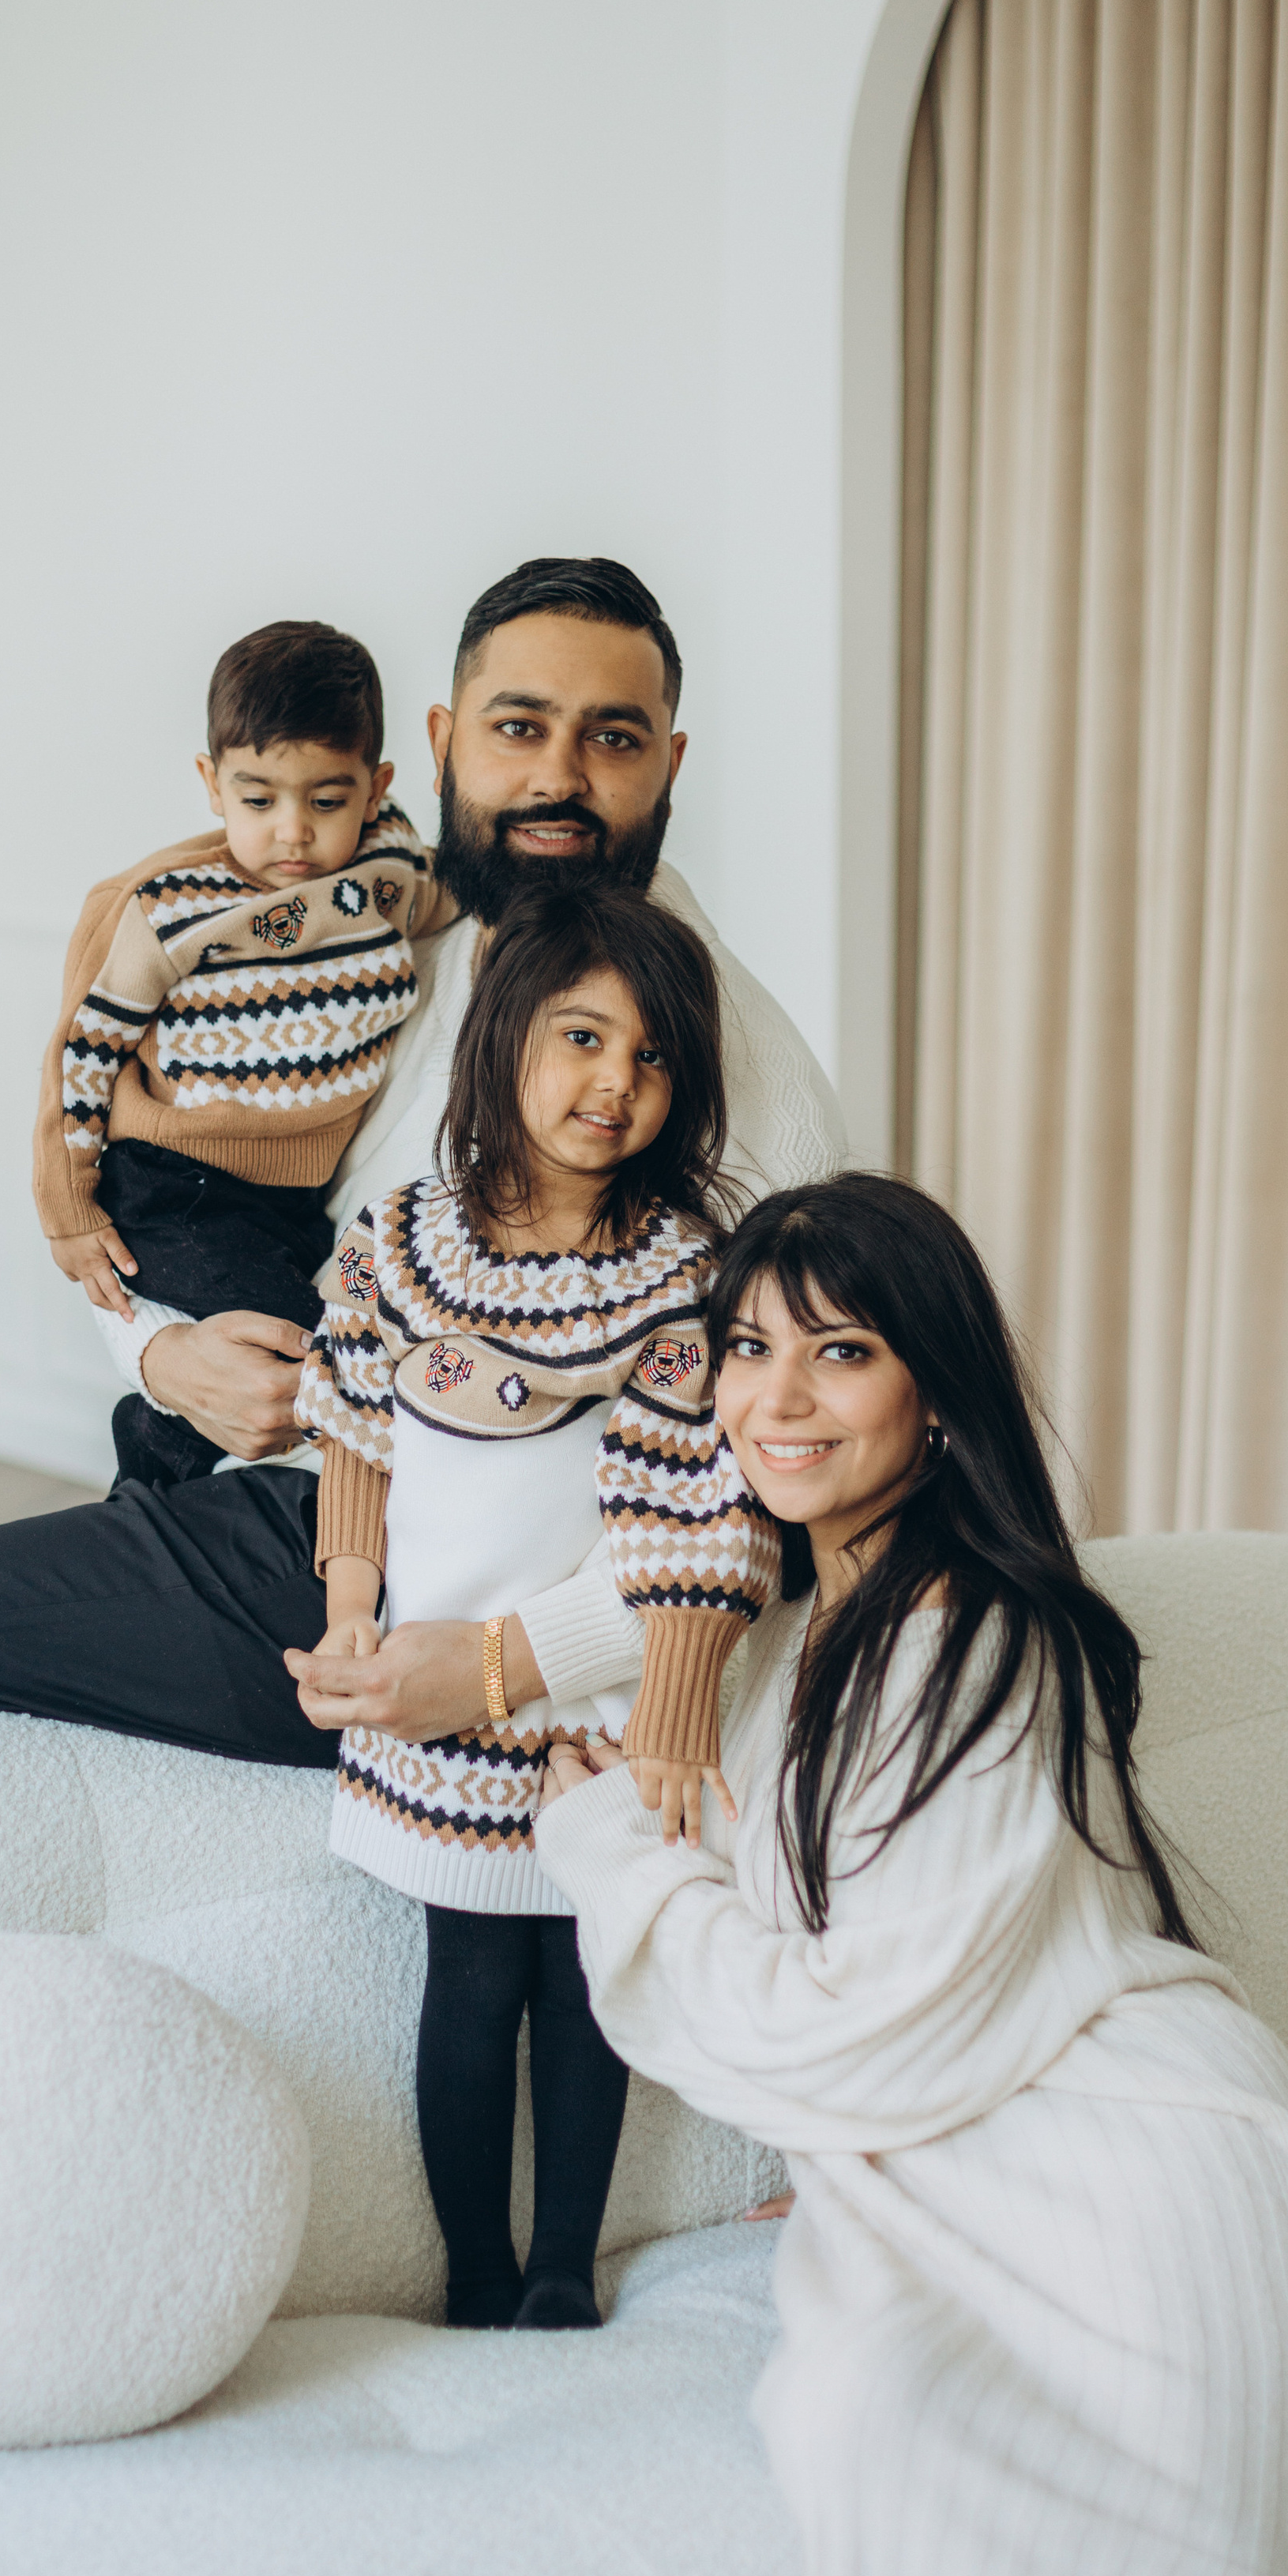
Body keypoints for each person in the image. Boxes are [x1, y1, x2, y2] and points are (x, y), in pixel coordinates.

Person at [536, 1174, 1288, 2576]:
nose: (776, 1398)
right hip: (962, 2172)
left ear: (933, 1394)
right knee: (874, 2420)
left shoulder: (977, 1641)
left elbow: (856, 2026)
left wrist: (606, 1849)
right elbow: (867, 1988)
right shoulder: (806, 1638)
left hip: (1139, 2183)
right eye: (745, 1349)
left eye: (839, 1352)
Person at [0, 555, 843, 1758]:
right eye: (518, 727)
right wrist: (161, 1353)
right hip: (300, 1486)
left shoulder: (730, 1072)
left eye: (613, 738)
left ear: (669, 764)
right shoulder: (380, 948)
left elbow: (780, 1495)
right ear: (440, 745)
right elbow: (172, 1179)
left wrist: (496, 1666)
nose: (557, 777)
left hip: (442, 1576)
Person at [298, 880, 773, 2329]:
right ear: (504, 1034)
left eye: (651, 1057)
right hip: (430, 1708)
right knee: (466, 1987)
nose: (614, 1082)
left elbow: (698, 1523)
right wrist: (350, 1606)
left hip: (592, 1719)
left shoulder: (683, 1281)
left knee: (581, 1989)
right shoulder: (399, 1242)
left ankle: (562, 2269)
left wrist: (672, 1720)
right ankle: (475, 2275)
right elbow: (357, 1440)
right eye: (582, 1037)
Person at [36, 619, 453, 1487]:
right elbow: (83, 1053)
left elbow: (465, 899)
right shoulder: (168, 906)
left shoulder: (391, 873)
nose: (292, 833)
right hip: (176, 1185)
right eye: (258, 801)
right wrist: (68, 1208)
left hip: (295, 1201)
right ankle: (148, 1498)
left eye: (326, 801)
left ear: (376, 788)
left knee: (298, 1364)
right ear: (211, 783)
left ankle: (155, 1499)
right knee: (298, 1354)